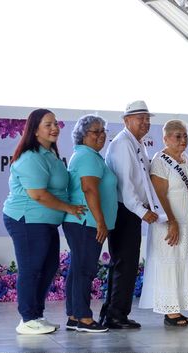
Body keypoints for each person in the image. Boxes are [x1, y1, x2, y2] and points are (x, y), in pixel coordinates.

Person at [3, 108, 87, 335]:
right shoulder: (31, 157)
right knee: (31, 269)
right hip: (27, 220)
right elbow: (38, 194)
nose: (54, 128)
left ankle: (36, 316)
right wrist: (69, 208)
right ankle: (28, 318)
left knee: (48, 268)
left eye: (56, 123)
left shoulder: (49, 154)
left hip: (45, 223)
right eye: (48, 124)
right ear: (35, 130)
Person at [102, 100, 159, 329]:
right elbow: (126, 185)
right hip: (125, 210)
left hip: (131, 210)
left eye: (147, 118)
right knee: (124, 264)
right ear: (126, 120)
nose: (145, 123)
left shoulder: (137, 143)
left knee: (125, 264)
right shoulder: (122, 143)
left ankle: (115, 313)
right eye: (140, 118)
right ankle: (115, 315)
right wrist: (142, 211)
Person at [62, 114, 117, 333]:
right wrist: (101, 222)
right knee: (84, 269)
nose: (101, 135)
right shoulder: (87, 157)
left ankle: (74, 315)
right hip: (86, 222)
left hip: (84, 221)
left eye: (103, 131)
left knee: (78, 268)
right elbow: (89, 188)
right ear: (83, 135)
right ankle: (84, 318)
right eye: (96, 131)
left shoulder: (90, 156)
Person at [139, 120, 188, 326]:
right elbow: (159, 195)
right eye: (177, 136)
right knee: (170, 261)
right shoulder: (160, 160)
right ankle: (170, 311)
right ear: (165, 138)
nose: (182, 140)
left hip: (187, 222)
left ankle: (178, 307)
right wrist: (171, 221)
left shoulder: (186, 158)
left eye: (185, 136)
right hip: (169, 222)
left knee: (182, 262)